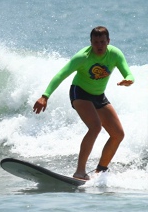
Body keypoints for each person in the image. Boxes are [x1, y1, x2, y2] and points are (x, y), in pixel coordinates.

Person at [33, 26, 134, 180]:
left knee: (118, 134)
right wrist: (45, 96)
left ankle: (100, 171)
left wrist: (129, 80)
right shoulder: (83, 57)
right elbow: (61, 74)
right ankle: (80, 171)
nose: (99, 46)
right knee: (95, 127)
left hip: (99, 95)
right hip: (79, 92)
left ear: (108, 41)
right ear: (91, 42)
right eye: (95, 42)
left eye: (102, 42)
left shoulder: (115, 54)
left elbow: (127, 72)